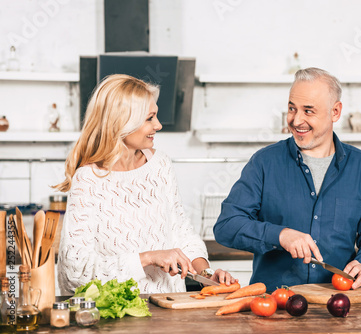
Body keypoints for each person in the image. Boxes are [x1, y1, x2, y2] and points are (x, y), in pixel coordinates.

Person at [214, 67, 361, 290]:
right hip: (274, 306)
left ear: (335, 112)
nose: (297, 120)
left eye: (308, 111)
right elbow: (226, 225)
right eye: (292, 108)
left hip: (340, 304)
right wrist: (280, 235)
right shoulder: (264, 162)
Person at [55, 74, 236, 294]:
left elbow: (181, 232)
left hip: (170, 308)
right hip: (117, 316)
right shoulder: (88, 180)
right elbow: (75, 271)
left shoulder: (160, 165)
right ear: (121, 122)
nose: (158, 125)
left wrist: (207, 274)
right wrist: (149, 257)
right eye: (149, 118)